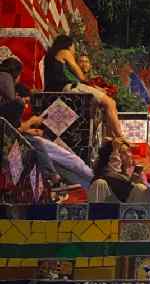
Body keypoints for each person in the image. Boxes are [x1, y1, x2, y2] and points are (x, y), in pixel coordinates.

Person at [0, 54, 93, 192]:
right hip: (25, 138)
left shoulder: (10, 98)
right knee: (68, 160)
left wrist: (31, 129)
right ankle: (63, 179)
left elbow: (15, 128)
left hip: (28, 136)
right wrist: (31, 122)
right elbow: (13, 129)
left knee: (66, 162)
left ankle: (88, 185)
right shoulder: (11, 97)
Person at [42, 35, 125, 140]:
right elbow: (81, 77)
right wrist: (97, 88)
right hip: (68, 88)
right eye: (74, 48)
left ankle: (110, 138)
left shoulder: (51, 56)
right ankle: (120, 138)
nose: (74, 51)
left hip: (57, 90)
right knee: (110, 103)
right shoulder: (65, 52)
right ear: (69, 45)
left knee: (98, 106)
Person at [88, 137, 150, 203]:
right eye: (123, 152)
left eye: (128, 151)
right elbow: (113, 173)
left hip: (127, 210)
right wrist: (115, 150)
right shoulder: (105, 174)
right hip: (106, 208)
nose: (129, 155)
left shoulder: (132, 173)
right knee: (99, 183)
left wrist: (137, 183)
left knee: (140, 188)